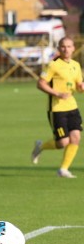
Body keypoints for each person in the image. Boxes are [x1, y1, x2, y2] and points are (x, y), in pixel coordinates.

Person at [31, 36, 84, 178]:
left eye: (69, 46)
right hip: (56, 109)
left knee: (76, 138)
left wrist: (81, 87)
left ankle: (63, 169)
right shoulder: (53, 65)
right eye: (63, 46)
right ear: (59, 48)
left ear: (73, 48)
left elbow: (78, 86)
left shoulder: (76, 65)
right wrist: (57, 93)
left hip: (72, 107)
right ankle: (40, 147)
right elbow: (40, 83)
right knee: (62, 142)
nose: (66, 49)